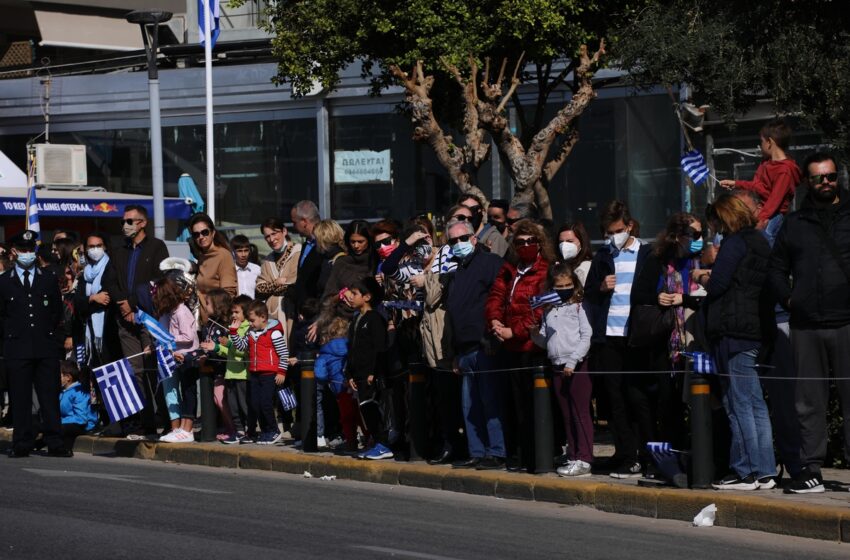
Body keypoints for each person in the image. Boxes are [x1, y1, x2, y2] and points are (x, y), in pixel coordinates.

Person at [769, 152, 850, 494]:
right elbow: (775, 268)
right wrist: (789, 299)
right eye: (818, 178)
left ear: (838, 178)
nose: (825, 183)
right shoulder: (795, 222)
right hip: (805, 324)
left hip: (847, 322)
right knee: (808, 401)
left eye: (830, 176)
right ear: (808, 182)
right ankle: (812, 468)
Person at [696, 195, 775, 491]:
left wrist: (703, 276)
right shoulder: (760, 240)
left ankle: (746, 471)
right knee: (754, 402)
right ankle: (765, 470)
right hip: (753, 328)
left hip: (732, 330)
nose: (713, 228)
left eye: (714, 222)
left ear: (723, 218)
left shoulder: (735, 243)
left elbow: (718, 284)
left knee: (737, 402)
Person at [584, 200, 653, 478]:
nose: (614, 236)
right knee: (613, 399)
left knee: (638, 397)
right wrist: (601, 287)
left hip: (636, 337)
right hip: (609, 336)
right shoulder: (602, 256)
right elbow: (588, 291)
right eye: (609, 231)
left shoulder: (646, 254)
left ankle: (646, 454)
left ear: (630, 226)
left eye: (618, 230)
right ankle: (625, 453)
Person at [485, 219, 553, 472]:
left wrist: (515, 330)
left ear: (539, 244)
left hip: (531, 347)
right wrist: (494, 321)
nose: (524, 246)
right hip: (509, 346)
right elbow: (496, 296)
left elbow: (542, 307)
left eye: (529, 242)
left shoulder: (545, 271)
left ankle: (539, 457)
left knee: (534, 406)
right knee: (515, 406)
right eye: (520, 242)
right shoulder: (509, 269)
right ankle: (521, 455)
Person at [0, 229, 71, 458]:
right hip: (17, 347)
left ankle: (55, 441)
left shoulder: (48, 279)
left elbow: (55, 313)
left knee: (49, 396)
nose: (27, 254)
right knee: (20, 398)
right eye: (23, 250)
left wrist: (51, 338)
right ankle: (22, 441)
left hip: (45, 346)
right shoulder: (4, 282)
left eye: (31, 250)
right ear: (14, 252)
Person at [444, 218, 506, 470]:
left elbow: (499, 301)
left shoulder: (490, 263)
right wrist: (456, 353)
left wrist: (492, 336)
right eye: (452, 241)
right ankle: (477, 451)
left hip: (485, 345)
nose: (457, 244)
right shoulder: (456, 270)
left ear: (473, 238)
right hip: (465, 348)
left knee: (490, 402)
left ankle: (497, 451)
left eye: (461, 238)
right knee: (470, 406)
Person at [109, 204, 169, 439]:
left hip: (149, 318)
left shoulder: (156, 247)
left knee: (154, 370)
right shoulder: (119, 249)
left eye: (130, 221)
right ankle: (144, 423)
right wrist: (122, 303)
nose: (125, 226)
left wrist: (133, 302)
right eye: (123, 221)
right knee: (134, 372)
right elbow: (110, 280)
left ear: (143, 223)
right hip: (124, 320)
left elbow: (158, 279)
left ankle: (165, 420)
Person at [532, 262, 593, 477]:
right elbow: (544, 339)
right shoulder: (549, 309)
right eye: (559, 287)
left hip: (576, 365)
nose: (564, 289)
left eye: (568, 285)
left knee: (580, 413)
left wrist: (573, 361)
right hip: (556, 365)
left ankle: (584, 458)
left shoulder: (578, 306)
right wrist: (534, 332)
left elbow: (586, 336)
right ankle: (573, 454)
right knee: (567, 414)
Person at [720, 118, 801, 242]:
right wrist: (736, 183)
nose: (760, 145)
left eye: (762, 141)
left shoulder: (785, 170)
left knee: (766, 244)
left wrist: (761, 219)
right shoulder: (766, 163)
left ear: (770, 142)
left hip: (772, 216)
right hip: (762, 213)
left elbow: (775, 199)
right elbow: (756, 186)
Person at [229, 300, 289, 445]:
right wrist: (234, 332)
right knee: (254, 404)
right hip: (255, 373)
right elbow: (241, 346)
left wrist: (281, 371)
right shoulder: (251, 333)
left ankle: (273, 430)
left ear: (263, 317)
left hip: (269, 374)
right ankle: (265, 431)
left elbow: (284, 353)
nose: (250, 324)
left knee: (266, 403)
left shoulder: (273, 333)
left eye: (252, 320)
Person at [345, 276, 391, 460]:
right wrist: (349, 373)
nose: (351, 297)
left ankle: (383, 444)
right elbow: (352, 348)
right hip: (358, 374)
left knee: (372, 409)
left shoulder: (375, 319)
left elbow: (379, 348)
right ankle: (375, 442)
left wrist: (374, 372)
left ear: (367, 297)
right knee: (365, 409)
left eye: (355, 293)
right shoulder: (357, 319)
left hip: (370, 375)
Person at [154, 277, 200, 444]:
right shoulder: (172, 312)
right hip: (178, 356)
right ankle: (180, 428)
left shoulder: (181, 311)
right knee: (180, 391)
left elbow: (188, 336)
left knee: (189, 391)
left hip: (188, 356)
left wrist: (168, 337)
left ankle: (188, 429)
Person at [207, 294, 252, 444]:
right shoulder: (234, 328)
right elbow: (230, 352)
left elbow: (242, 351)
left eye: (237, 312)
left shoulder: (247, 329)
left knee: (244, 405)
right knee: (233, 405)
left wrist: (230, 342)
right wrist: (217, 347)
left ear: (246, 313)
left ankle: (249, 430)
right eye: (232, 312)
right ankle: (238, 431)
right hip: (230, 373)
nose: (233, 315)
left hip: (242, 374)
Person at [74, 232, 120, 367]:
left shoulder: (111, 267)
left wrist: (88, 301)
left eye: (98, 245)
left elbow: (106, 298)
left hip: (109, 328)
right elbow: (78, 301)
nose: (95, 249)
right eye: (91, 246)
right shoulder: (86, 272)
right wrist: (93, 298)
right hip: (90, 329)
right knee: (95, 369)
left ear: (105, 246)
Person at [34, 361, 98, 451]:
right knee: (38, 424)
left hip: (83, 425)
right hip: (67, 423)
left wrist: (57, 422)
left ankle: (40, 443)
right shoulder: (62, 391)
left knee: (58, 428)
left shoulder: (79, 392)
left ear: (68, 377)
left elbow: (81, 419)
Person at [198, 289, 235, 441]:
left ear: (217, 305)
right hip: (213, 368)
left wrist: (215, 349)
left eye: (208, 303)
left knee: (220, 398)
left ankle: (233, 429)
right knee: (217, 399)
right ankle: (226, 427)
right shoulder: (208, 324)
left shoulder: (224, 327)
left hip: (225, 369)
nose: (205, 306)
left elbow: (230, 350)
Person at [255, 217, 301, 331]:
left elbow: (293, 284)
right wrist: (276, 283)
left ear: (284, 231)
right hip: (272, 315)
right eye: (267, 236)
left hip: (291, 312)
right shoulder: (267, 260)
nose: (271, 239)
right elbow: (259, 288)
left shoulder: (297, 251)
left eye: (274, 234)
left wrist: (271, 286)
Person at [190, 213, 238, 321]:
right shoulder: (202, 256)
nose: (201, 237)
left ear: (213, 233)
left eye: (205, 232)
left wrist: (218, 320)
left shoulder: (223, 255)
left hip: (218, 321)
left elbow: (228, 293)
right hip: (204, 321)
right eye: (196, 234)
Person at [323, 220, 376, 298]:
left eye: (360, 241)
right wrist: (342, 295)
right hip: (342, 308)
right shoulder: (341, 263)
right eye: (352, 241)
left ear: (369, 241)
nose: (356, 245)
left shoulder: (375, 261)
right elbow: (328, 295)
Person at [291, 200, 324, 311]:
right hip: (303, 311)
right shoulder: (306, 244)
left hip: (317, 311)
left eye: (294, 222)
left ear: (304, 221)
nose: (293, 226)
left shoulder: (324, 245)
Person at [459, 193, 510, 257]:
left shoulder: (494, 238)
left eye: (473, 209)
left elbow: (493, 265)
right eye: (463, 211)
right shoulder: (460, 238)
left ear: (482, 211)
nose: (469, 214)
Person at [231, 234, 261, 299]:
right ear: (233, 252)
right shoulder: (229, 270)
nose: (243, 254)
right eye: (239, 251)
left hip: (254, 307)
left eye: (246, 250)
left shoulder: (257, 270)